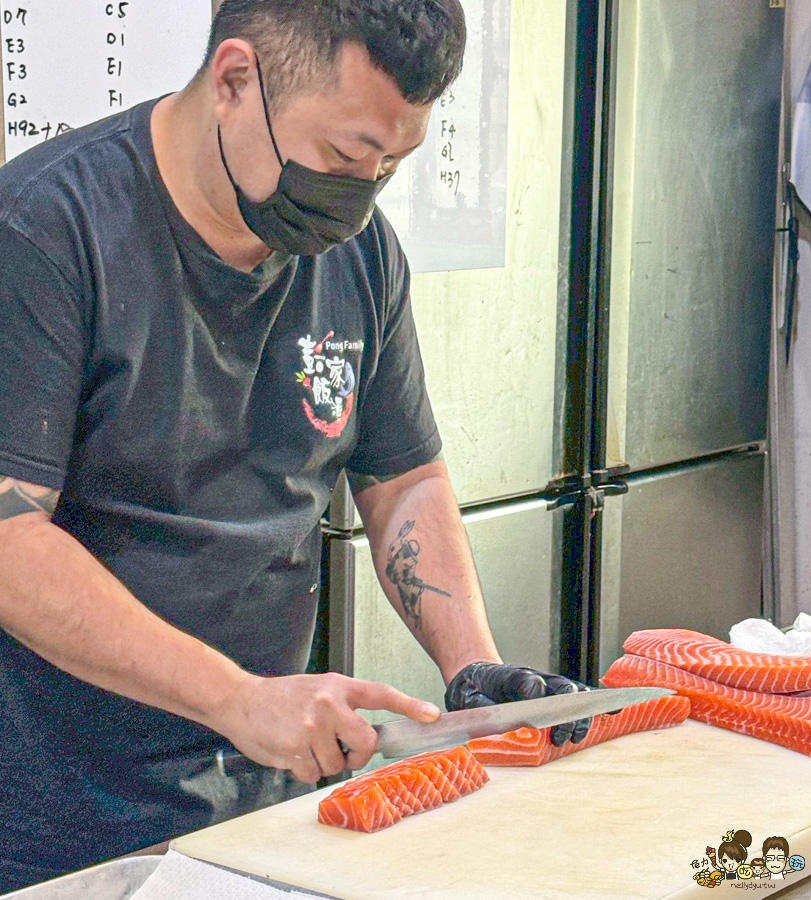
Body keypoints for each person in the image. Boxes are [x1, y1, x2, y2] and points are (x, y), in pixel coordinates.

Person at [0, 0, 591, 891]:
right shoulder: (47, 229)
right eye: (346, 157)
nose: (361, 195)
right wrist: (236, 699)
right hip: (63, 826)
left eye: (392, 164)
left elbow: (403, 477)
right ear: (236, 80)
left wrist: (472, 666)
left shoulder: (359, 255)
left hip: (270, 807)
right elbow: (10, 541)